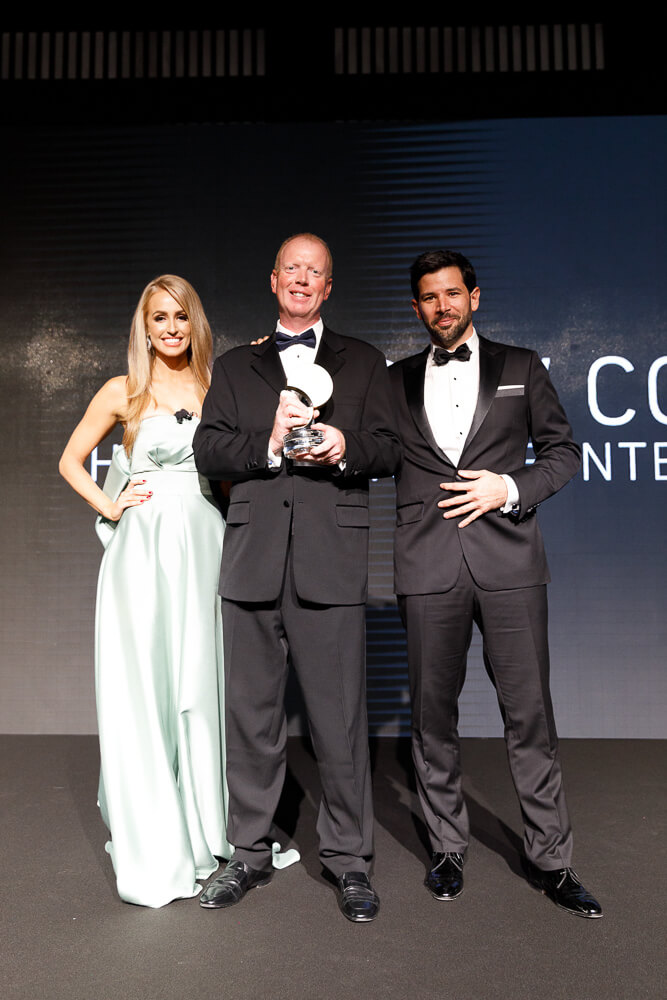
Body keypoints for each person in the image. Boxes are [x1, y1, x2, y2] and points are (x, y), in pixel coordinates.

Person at [193, 233, 400, 922]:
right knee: (251, 718)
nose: (302, 279)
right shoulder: (236, 366)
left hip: (330, 563)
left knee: (338, 721)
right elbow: (208, 448)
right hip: (252, 562)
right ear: (274, 279)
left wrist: (342, 447)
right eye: (292, 269)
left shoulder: (363, 361)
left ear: (328, 286)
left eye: (315, 271)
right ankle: (248, 853)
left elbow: (390, 449)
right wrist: (271, 444)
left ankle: (349, 860)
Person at [390, 249, 602, 918]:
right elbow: (360, 446)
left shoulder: (521, 366)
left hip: (510, 564)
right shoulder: (392, 380)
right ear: (417, 307)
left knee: (529, 714)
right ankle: (446, 847)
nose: (442, 306)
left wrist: (507, 487)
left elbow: (563, 452)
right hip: (427, 564)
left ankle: (552, 859)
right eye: (429, 297)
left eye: (452, 293)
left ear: (474, 297)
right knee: (432, 717)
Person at [59, 275, 232, 907]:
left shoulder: (215, 387)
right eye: (159, 317)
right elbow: (69, 460)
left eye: (181, 316)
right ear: (145, 326)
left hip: (205, 547)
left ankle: (203, 828)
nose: (171, 328)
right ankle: (157, 837)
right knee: (147, 688)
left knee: (199, 687)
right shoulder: (123, 391)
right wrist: (111, 504)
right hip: (142, 555)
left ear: (195, 322)